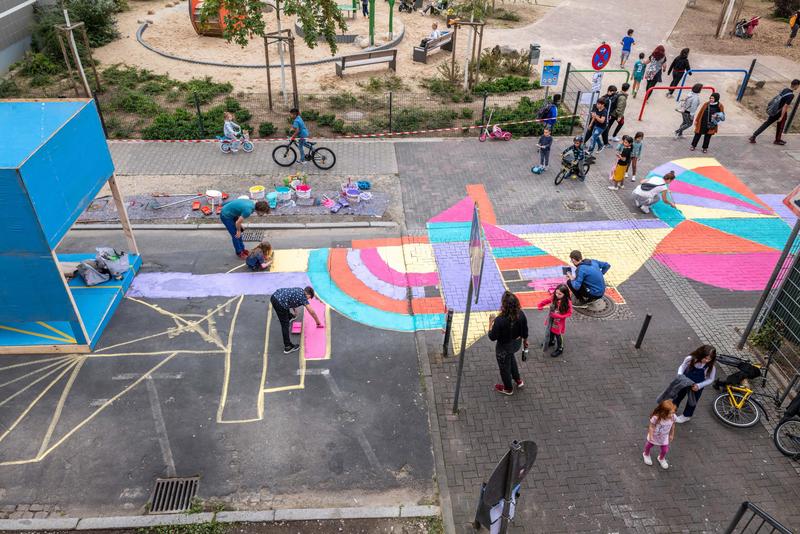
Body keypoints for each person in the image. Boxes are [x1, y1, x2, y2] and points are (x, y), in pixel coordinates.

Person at [487, 291, 528, 396]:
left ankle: (508, 388)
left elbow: (492, 337)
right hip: (516, 344)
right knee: (511, 359)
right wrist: (525, 341)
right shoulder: (521, 314)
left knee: (504, 368)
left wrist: (490, 324)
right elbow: (525, 331)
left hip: (503, 348)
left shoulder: (500, 320)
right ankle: (517, 379)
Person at [672, 345, 717, 423]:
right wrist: (680, 375)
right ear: (700, 354)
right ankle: (672, 409)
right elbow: (682, 366)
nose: (706, 360)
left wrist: (699, 386)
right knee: (678, 396)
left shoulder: (711, 367)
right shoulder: (690, 359)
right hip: (684, 382)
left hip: (696, 386)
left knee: (692, 400)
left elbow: (711, 379)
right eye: (705, 358)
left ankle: (686, 416)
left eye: (709, 359)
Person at [271, 286, 323, 354]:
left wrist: (295, 310)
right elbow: (312, 312)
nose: (308, 299)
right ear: (307, 294)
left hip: (274, 296)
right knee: (285, 325)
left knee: (285, 305)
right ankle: (288, 347)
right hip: (279, 303)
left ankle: (289, 317)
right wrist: (318, 322)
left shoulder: (299, 290)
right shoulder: (303, 298)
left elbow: (290, 298)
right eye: (309, 297)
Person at [749, 79, 800, 146]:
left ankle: (754, 136)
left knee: (767, 123)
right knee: (780, 126)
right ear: (796, 85)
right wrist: (781, 117)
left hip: (775, 110)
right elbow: (785, 106)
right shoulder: (791, 95)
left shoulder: (785, 89)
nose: (798, 87)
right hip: (780, 112)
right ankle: (777, 140)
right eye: (798, 86)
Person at [536, 284, 572, 358]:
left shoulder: (568, 302)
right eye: (556, 293)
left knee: (558, 335)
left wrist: (559, 316)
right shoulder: (554, 297)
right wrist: (540, 305)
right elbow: (547, 300)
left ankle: (560, 348)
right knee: (551, 331)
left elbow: (569, 313)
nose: (557, 295)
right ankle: (551, 341)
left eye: (560, 294)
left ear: (565, 294)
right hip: (551, 320)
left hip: (559, 323)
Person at [642, 400, 677, 470]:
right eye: (669, 413)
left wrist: (671, 434)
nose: (671, 415)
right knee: (649, 445)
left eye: (672, 413)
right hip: (654, 435)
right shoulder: (656, 418)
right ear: (663, 412)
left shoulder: (673, 417)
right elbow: (651, 426)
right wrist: (651, 435)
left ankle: (661, 458)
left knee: (665, 450)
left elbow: (673, 425)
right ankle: (646, 454)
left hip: (664, 437)